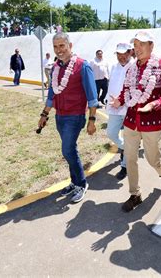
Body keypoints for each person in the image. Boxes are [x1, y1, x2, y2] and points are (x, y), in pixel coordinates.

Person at [110, 31, 161, 213]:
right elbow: (126, 90)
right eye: (135, 45)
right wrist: (119, 101)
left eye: (141, 45)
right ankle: (135, 194)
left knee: (153, 159)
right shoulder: (131, 68)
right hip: (131, 121)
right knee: (129, 158)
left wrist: (153, 104)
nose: (137, 49)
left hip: (152, 122)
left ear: (151, 46)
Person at [37, 32, 98, 203]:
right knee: (70, 150)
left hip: (75, 116)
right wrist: (44, 114)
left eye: (62, 46)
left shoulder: (82, 66)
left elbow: (92, 97)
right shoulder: (56, 67)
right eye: (56, 47)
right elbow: (51, 94)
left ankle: (81, 184)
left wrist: (92, 120)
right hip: (60, 117)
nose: (59, 50)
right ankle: (74, 182)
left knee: (67, 150)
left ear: (70, 46)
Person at [105, 42, 135, 180]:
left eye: (125, 54)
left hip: (130, 109)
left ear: (130, 53)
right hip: (114, 108)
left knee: (129, 138)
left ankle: (125, 166)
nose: (122, 57)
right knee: (111, 133)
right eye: (119, 54)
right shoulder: (113, 67)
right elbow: (110, 85)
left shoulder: (136, 67)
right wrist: (107, 100)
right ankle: (126, 148)